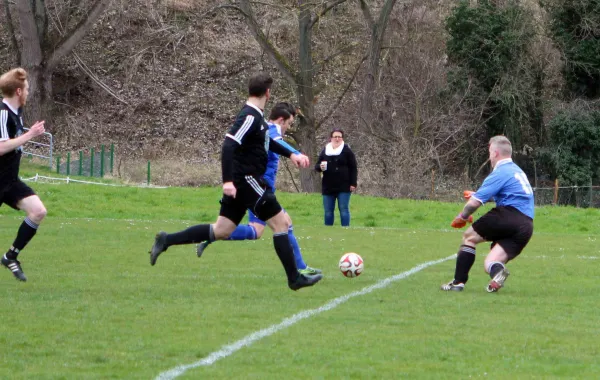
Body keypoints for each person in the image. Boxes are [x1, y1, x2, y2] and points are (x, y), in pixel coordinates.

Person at [149, 73, 322, 291]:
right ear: (267, 93)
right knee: (282, 224)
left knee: (222, 230)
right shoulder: (250, 116)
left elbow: (268, 142)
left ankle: (166, 240)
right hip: (247, 180)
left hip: (243, 182)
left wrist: (292, 155)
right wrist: (228, 181)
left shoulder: (258, 117)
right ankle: (294, 278)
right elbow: (229, 145)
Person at [195, 102, 322, 275]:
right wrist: (296, 153)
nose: (288, 128)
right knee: (277, 225)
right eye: (289, 124)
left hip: (258, 186)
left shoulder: (262, 129)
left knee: (257, 230)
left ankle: (212, 235)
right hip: (259, 189)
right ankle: (300, 268)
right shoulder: (273, 129)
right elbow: (277, 142)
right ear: (280, 120)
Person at [441, 135, 534, 293]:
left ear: (496, 153)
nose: (489, 156)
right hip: (526, 225)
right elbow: (510, 195)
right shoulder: (517, 171)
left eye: (490, 152)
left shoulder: (500, 172)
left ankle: (458, 282)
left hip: (508, 215)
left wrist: (462, 216)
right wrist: (479, 194)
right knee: (491, 262)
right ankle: (498, 275)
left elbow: (474, 203)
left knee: (469, 237)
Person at [0, 68, 47, 282]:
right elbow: (1, 148)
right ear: (18, 91)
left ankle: (11, 256)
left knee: (38, 211)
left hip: (9, 182)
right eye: (27, 88)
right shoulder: (3, 113)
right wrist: (30, 134)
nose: (28, 92)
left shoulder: (17, 113)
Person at [315, 128, 358, 227]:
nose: (337, 139)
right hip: (328, 185)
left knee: (343, 209)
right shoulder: (325, 150)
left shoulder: (347, 151)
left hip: (344, 185)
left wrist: (353, 183)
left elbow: (353, 168)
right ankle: (328, 231)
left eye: (339, 137)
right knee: (328, 211)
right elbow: (317, 166)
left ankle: (345, 230)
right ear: (331, 138)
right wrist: (319, 167)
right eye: (335, 137)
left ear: (342, 138)